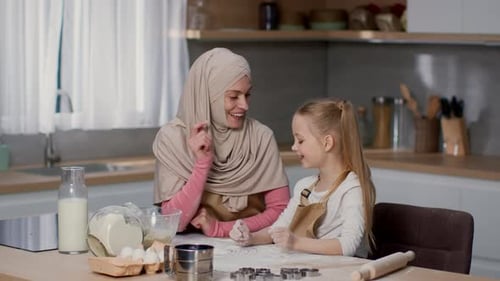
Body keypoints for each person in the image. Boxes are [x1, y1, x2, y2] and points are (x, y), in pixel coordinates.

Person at [152, 48, 290, 238]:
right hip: (195, 251)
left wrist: (221, 229)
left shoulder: (261, 137)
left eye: (247, 94)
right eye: (233, 96)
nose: (244, 105)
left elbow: (281, 212)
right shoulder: (172, 139)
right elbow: (174, 223)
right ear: (208, 96)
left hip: (254, 250)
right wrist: (202, 164)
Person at [229, 98, 376, 257]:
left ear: (327, 143)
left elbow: (347, 246)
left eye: (300, 140)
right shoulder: (304, 188)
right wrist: (251, 237)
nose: (294, 146)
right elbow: (279, 228)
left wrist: (295, 242)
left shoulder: (351, 189)